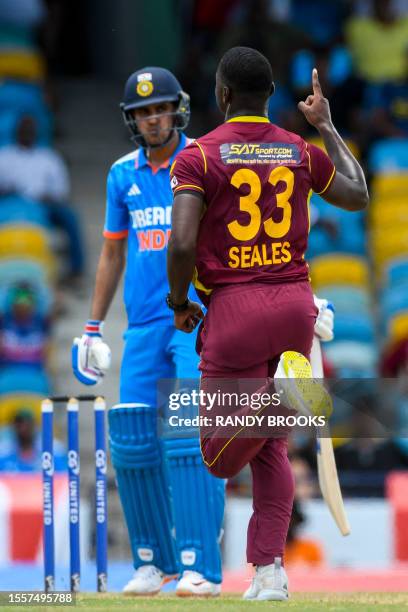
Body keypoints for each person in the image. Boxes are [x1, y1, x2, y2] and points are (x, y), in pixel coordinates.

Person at [167, 46, 368, 601]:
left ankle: (284, 398)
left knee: (214, 455)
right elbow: (358, 194)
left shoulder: (199, 158)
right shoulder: (299, 149)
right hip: (293, 306)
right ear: (271, 95)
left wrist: (179, 301)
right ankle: (269, 573)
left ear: (222, 93)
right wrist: (326, 125)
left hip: (234, 309)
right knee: (271, 450)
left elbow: (182, 241)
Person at [71, 67, 224, 597]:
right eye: (141, 112)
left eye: (158, 108)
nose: (151, 118)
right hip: (141, 328)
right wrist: (93, 326)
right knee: (133, 439)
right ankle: (152, 563)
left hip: (194, 320)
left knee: (188, 436)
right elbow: (113, 252)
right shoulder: (121, 175)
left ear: (177, 109)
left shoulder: (205, 161)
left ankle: (200, 564)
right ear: (131, 120)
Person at [0, 115, 84, 278]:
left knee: (70, 216)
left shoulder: (49, 157)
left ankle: (76, 269)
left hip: (44, 205)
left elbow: (61, 191)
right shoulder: (4, 155)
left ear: (36, 132)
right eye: (23, 129)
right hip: (10, 203)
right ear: (16, 131)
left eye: (29, 129)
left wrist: (48, 196)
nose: (26, 132)